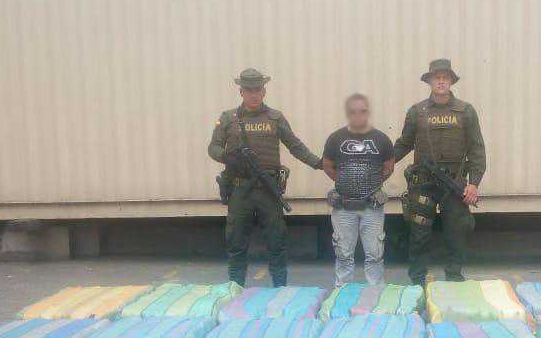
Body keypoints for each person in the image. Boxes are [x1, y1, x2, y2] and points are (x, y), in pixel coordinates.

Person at [208, 68, 323, 287]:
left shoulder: (275, 118)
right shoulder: (228, 118)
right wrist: (226, 157)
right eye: (249, 90)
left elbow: (295, 146)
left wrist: (319, 164)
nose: (253, 94)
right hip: (239, 189)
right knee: (236, 243)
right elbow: (212, 147)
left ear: (264, 91)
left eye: (257, 89)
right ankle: (236, 290)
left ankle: (280, 290)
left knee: (276, 243)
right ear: (241, 92)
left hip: (268, 190)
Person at [393, 59, 486, 286]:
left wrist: (473, 183)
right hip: (423, 183)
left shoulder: (465, 111)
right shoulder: (417, 112)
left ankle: (454, 278)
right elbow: (404, 144)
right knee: (419, 234)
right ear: (430, 81)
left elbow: (477, 149)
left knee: (456, 233)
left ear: (451, 81)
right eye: (437, 77)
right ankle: (417, 281)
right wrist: (382, 164)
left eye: (445, 77)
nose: (441, 81)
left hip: (454, 184)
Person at [323, 93, 395, 287]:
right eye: (353, 112)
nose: (358, 115)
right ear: (347, 114)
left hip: (372, 207)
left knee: (375, 255)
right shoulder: (335, 139)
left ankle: (375, 293)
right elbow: (327, 165)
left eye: (362, 111)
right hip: (343, 208)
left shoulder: (381, 139)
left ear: (368, 112)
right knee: (343, 255)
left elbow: (389, 166)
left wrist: (371, 183)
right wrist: (344, 182)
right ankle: (342, 292)